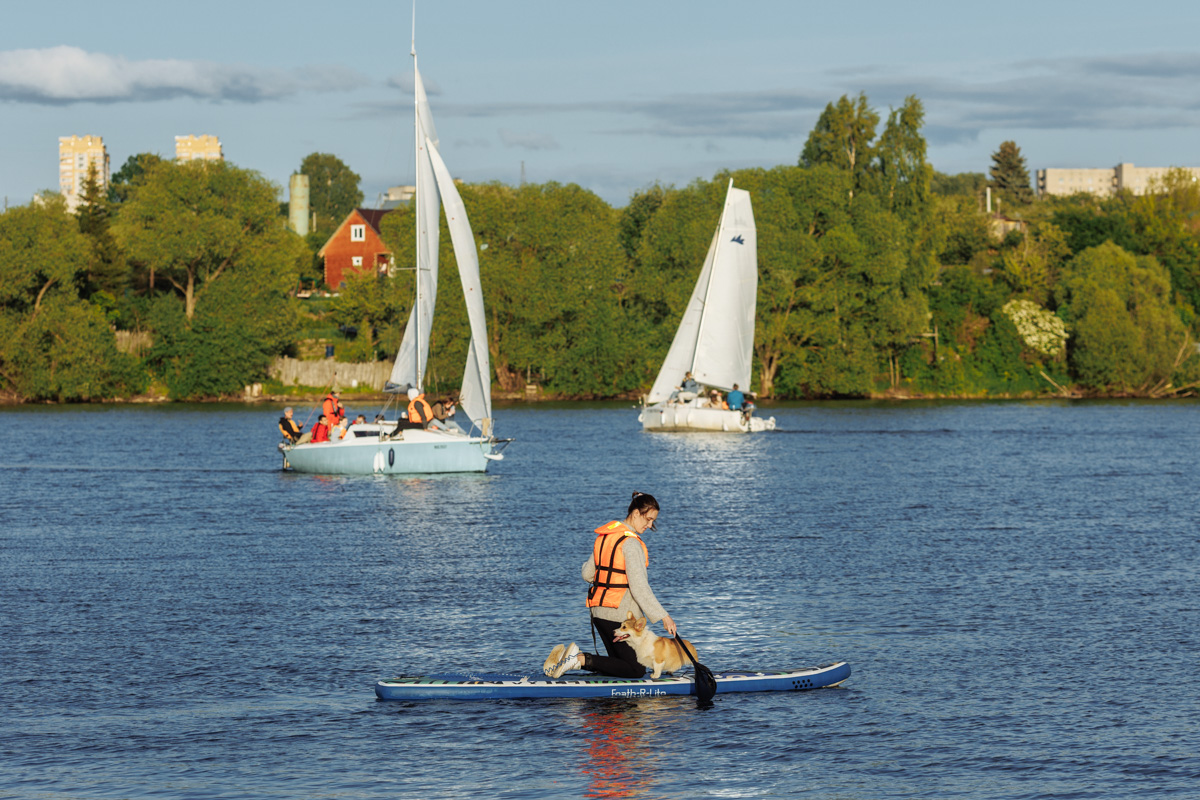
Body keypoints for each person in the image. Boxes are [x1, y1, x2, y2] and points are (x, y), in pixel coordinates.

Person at [543, 492, 676, 679]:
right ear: (635, 513)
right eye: (648, 519)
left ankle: (571, 661)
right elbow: (639, 587)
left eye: (653, 521)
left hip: (599, 613)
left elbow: (587, 574)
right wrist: (664, 616)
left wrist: (608, 578)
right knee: (636, 670)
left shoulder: (605, 537)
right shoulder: (631, 544)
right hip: (619, 616)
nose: (649, 525)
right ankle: (578, 659)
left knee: (618, 666)